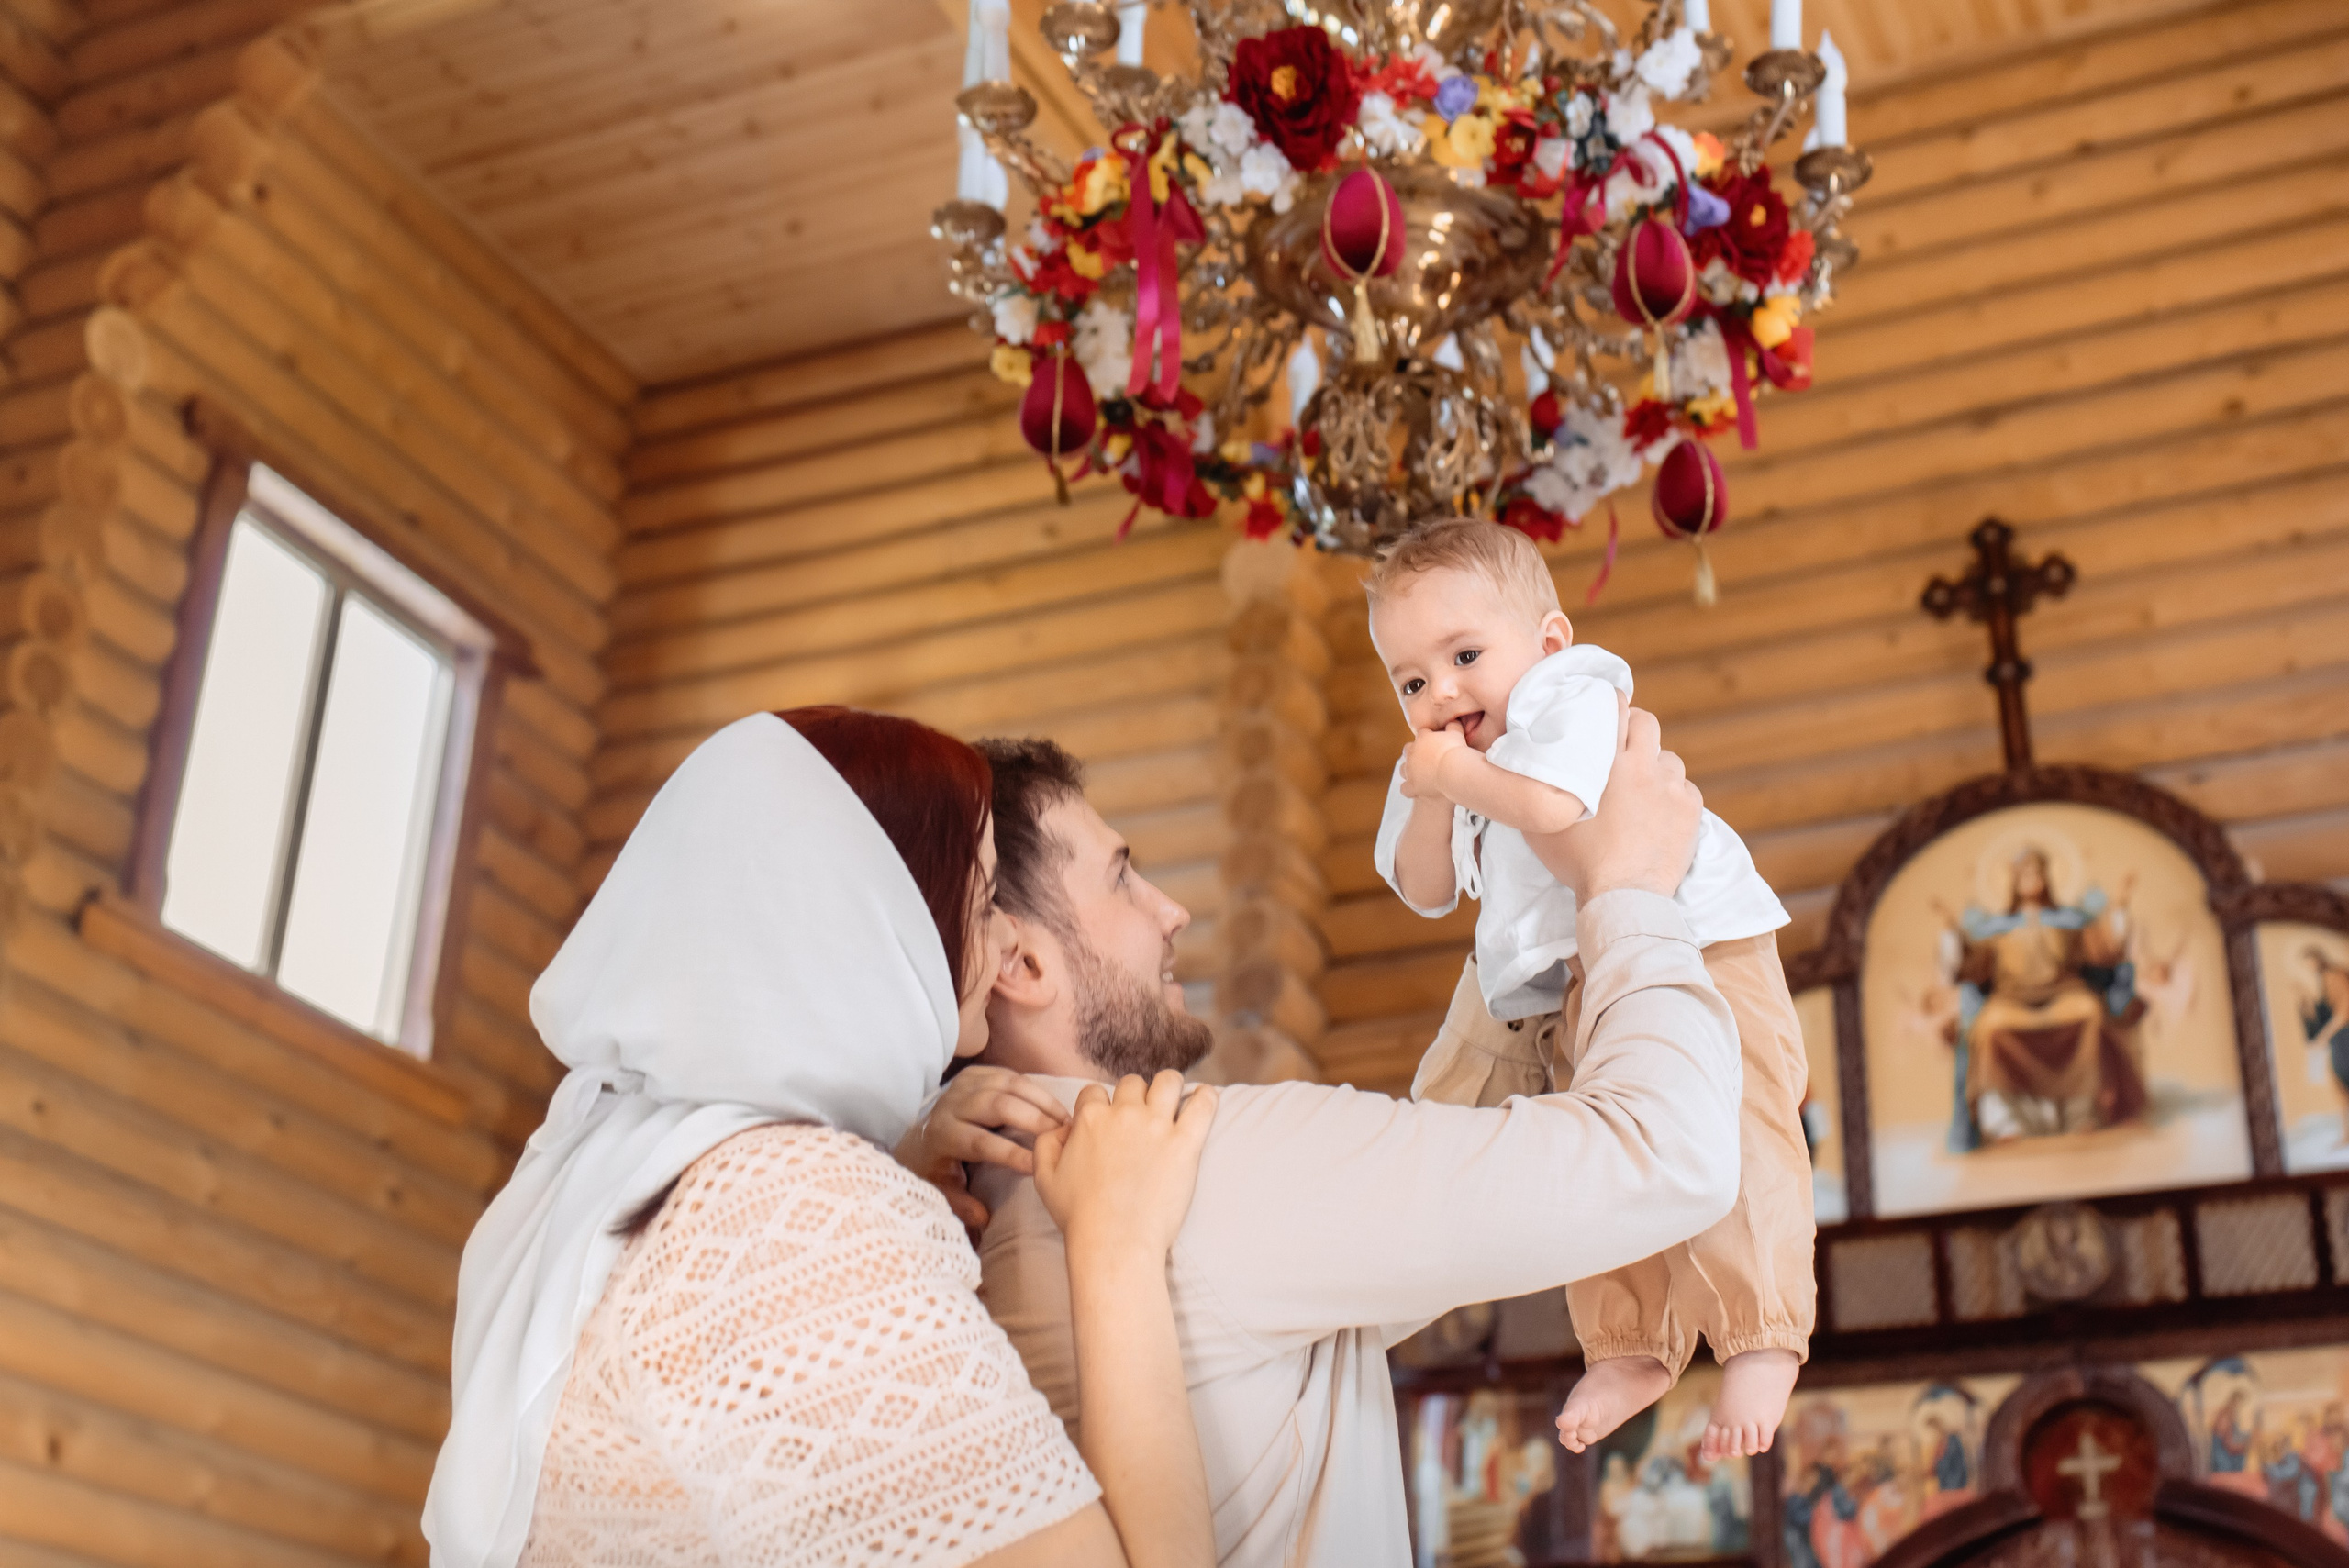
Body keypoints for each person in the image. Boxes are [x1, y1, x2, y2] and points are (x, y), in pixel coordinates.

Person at [896, 706, 1745, 1566]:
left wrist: (1518, 948)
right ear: (1020, 964)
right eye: (1121, 877)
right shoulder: (1199, 1162)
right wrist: (1631, 889)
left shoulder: (957, 1201)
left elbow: (1412, 1222)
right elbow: (1671, 1155)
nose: (1171, 910)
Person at [421, 708, 1218, 1568]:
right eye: (984, 901)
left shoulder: (616, 1173)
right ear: (877, 916)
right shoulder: (783, 1209)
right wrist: (1117, 1243)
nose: (1004, 941)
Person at [1365, 518, 1811, 1462]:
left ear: (1548, 642)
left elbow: (1556, 808)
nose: (1441, 690)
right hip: (1583, 969)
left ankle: (1763, 1331)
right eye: (1411, 679)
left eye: (1465, 654)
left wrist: (1461, 771)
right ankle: (1628, 1343)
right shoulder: (1446, 756)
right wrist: (1435, 789)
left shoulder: (1573, 696)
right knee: (1600, 1151)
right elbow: (1425, 887)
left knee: (1739, 1124)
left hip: (1700, 941)